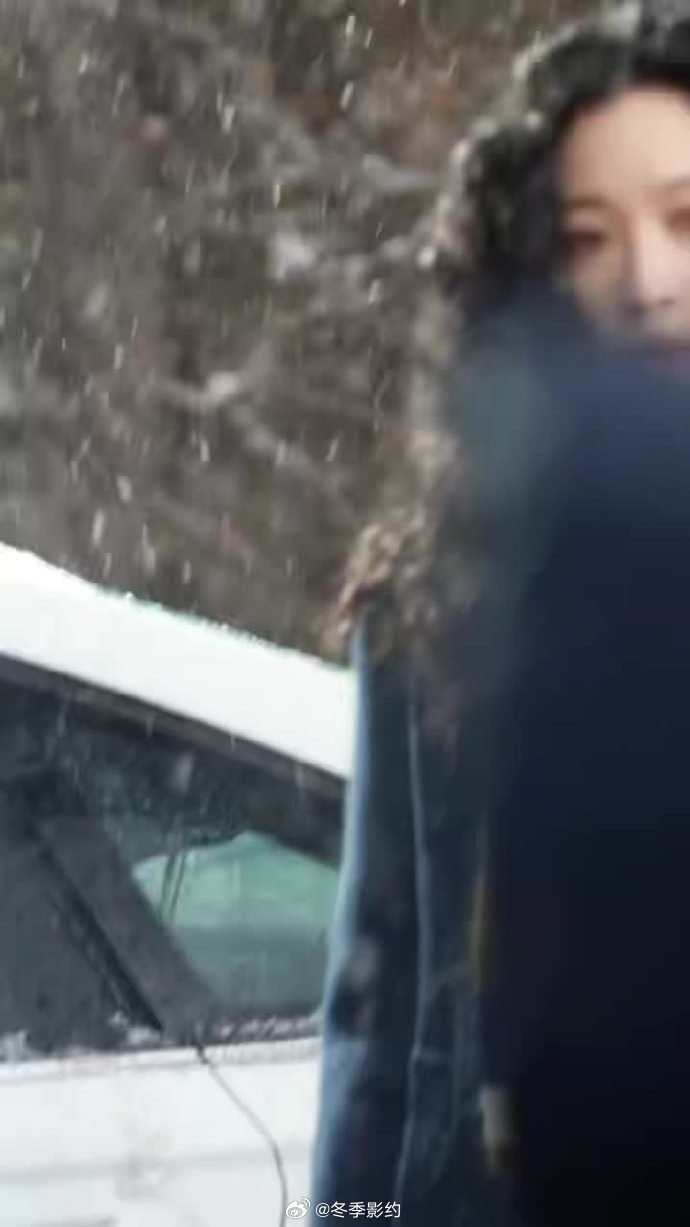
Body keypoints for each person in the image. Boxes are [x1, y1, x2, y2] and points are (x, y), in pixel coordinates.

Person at [311, 5, 690, 1225]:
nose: (648, 282)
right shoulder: (438, 593)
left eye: (687, 220)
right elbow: (381, 1019)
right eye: (589, 238)